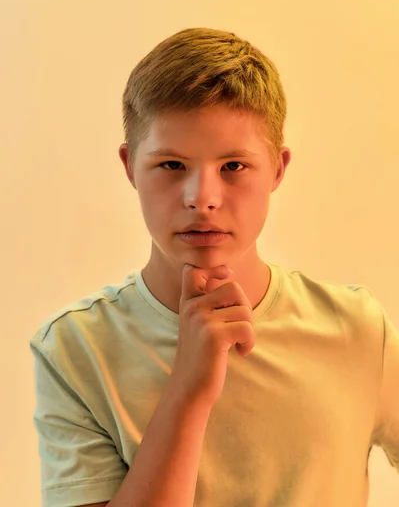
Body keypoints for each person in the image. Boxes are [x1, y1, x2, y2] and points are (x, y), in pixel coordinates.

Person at [30, 28, 399, 507]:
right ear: (129, 167)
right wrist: (188, 389)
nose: (201, 199)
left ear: (277, 170)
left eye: (233, 167)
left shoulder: (356, 329)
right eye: (171, 165)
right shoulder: (75, 351)